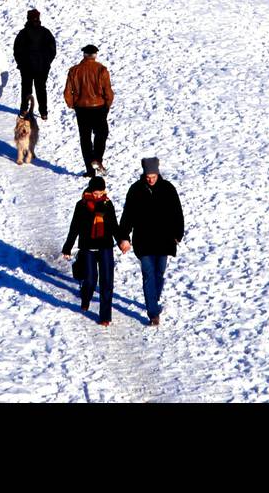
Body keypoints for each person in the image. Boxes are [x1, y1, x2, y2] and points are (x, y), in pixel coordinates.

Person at [119, 158, 184, 327]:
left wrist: (178, 233)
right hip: (144, 241)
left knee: (159, 273)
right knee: (148, 274)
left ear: (158, 173)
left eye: (153, 176)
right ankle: (153, 313)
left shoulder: (168, 189)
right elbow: (127, 215)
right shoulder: (135, 190)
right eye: (148, 176)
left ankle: (153, 299)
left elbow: (177, 212)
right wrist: (124, 236)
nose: (151, 179)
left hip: (164, 240)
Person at [62, 177, 121, 326]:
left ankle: (105, 316)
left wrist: (121, 241)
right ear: (90, 191)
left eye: (101, 192)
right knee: (90, 280)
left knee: (107, 281)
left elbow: (114, 225)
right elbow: (74, 227)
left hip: (105, 246)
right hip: (87, 247)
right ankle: (85, 297)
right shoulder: (81, 205)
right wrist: (68, 247)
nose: (98, 195)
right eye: (95, 193)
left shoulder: (108, 204)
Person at [64, 45, 114, 176]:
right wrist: (107, 105)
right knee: (101, 134)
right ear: (95, 55)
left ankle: (90, 170)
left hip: (81, 108)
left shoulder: (74, 71)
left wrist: (73, 105)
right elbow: (108, 91)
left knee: (85, 138)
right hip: (99, 107)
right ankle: (97, 159)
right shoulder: (102, 70)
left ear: (84, 55)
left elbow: (67, 92)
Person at [14, 8, 57, 121]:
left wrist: (21, 64)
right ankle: (43, 113)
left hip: (27, 68)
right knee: (41, 89)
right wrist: (47, 62)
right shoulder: (45, 32)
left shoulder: (23, 33)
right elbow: (52, 49)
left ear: (27, 19)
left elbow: (17, 51)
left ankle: (24, 110)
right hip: (42, 68)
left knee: (26, 90)